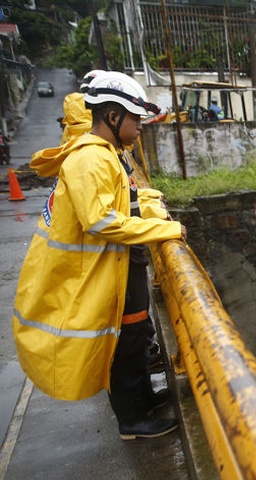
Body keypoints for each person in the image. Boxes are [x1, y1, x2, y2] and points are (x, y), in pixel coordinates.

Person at [12, 71, 187, 440]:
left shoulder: (107, 155)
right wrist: (166, 230)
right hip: (102, 272)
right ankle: (132, 420)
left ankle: (141, 399)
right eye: (135, 118)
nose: (140, 126)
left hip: (116, 268)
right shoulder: (90, 160)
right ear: (112, 116)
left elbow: (128, 204)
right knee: (123, 343)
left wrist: (153, 210)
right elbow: (102, 222)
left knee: (135, 335)